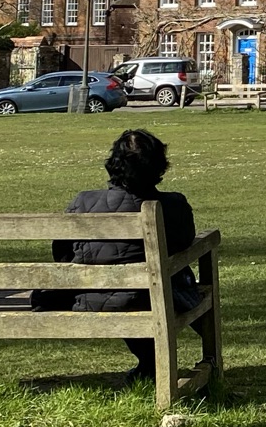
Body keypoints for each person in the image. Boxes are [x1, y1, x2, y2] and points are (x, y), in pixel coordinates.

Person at [46, 129, 209, 382]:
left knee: (128, 290)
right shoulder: (173, 205)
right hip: (153, 297)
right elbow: (185, 242)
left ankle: (148, 364)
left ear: (114, 164)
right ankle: (197, 359)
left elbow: (62, 252)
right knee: (160, 285)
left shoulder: (83, 203)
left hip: (91, 297)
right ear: (158, 166)